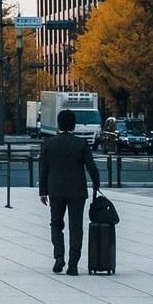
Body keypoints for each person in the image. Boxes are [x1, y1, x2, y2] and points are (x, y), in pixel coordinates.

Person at [39, 109, 102, 276]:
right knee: (76, 227)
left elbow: (43, 169)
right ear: (74, 125)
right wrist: (96, 184)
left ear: (58, 125)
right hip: (77, 191)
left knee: (56, 223)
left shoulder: (48, 144)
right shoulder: (81, 144)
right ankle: (73, 264)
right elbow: (91, 167)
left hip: (55, 189)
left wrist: (43, 191)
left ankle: (59, 256)